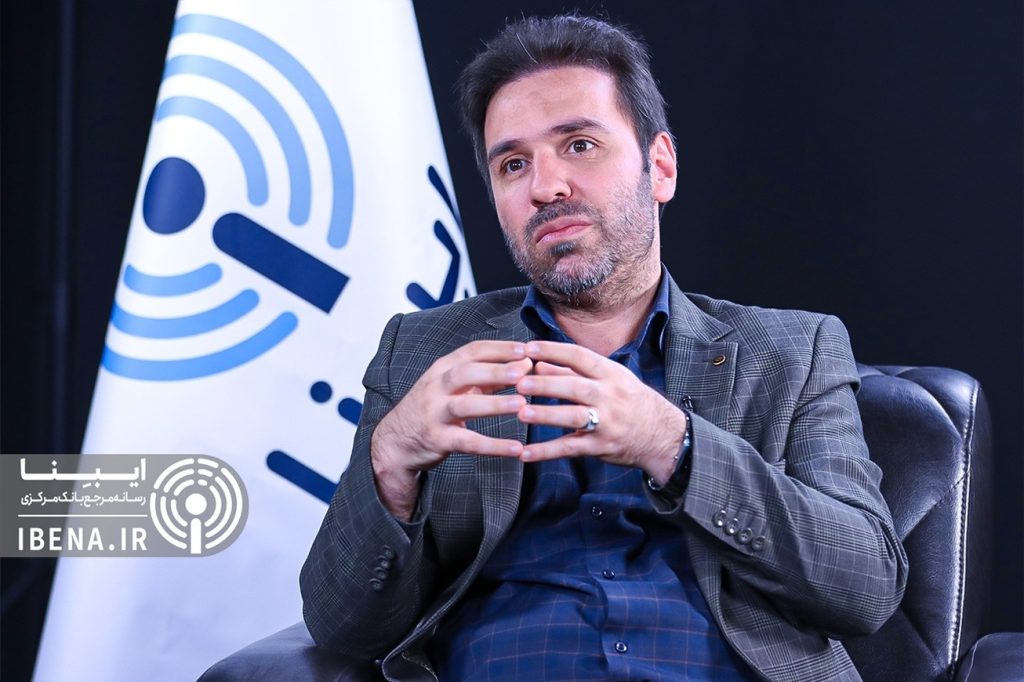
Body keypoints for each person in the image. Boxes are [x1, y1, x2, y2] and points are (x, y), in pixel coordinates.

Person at [300, 14, 908, 682]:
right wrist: (389, 462)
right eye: (513, 164)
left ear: (660, 167)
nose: (545, 186)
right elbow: (341, 626)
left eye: (580, 145)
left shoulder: (792, 351)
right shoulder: (424, 354)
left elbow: (866, 586)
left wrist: (670, 444)